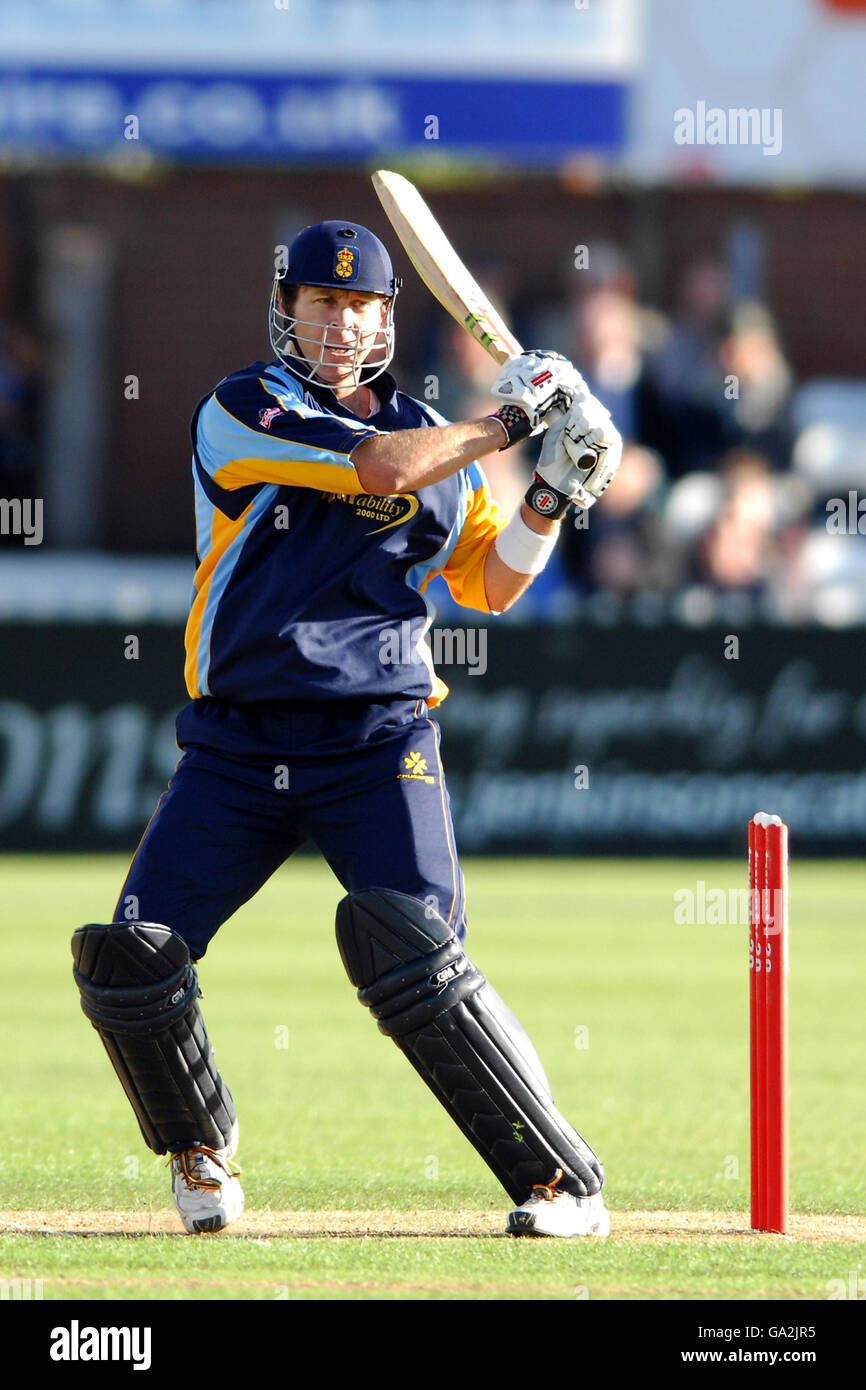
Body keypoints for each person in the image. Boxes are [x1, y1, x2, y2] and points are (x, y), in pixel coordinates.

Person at [71, 220, 622, 1238]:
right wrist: (507, 423)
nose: (336, 324)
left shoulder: (438, 443)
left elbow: (490, 585)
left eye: (357, 305)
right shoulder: (244, 411)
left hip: (377, 738)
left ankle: (559, 1182)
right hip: (238, 741)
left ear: (383, 318)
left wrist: (551, 491)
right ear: (284, 310)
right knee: (130, 957)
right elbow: (376, 468)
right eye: (316, 304)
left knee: (419, 957)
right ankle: (202, 1148)